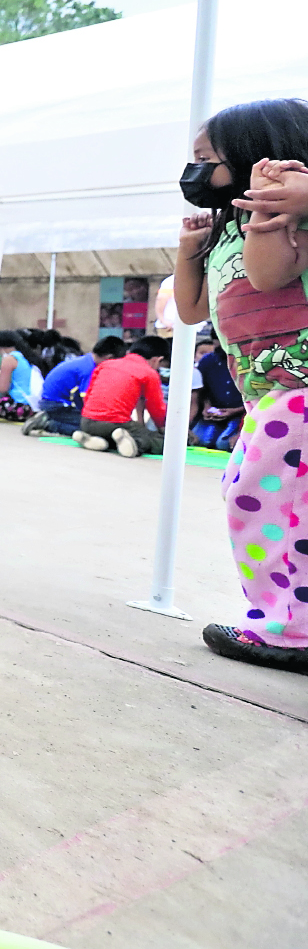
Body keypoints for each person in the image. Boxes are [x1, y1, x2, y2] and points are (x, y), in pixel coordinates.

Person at [168, 98, 308, 670]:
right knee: (249, 493)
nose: (195, 172)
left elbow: (270, 274)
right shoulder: (225, 233)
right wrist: (188, 253)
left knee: (264, 500)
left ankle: (287, 629)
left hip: (298, 388)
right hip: (267, 397)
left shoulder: (289, 219)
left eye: (207, 159)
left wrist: (274, 209)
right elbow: (191, 309)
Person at [75, 334, 170, 455]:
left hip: (86, 421)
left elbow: (89, 394)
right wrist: (161, 427)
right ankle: (135, 445)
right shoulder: (149, 373)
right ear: (157, 359)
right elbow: (155, 407)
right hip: (115, 423)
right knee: (158, 441)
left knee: (119, 433)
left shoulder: (106, 364)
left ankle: (98, 441)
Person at [22, 335, 126, 437]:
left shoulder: (87, 360)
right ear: (110, 358)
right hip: (56, 405)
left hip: (58, 402)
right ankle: (48, 424)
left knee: (94, 424)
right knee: (92, 428)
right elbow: (86, 399)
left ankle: (51, 419)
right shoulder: (88, 370)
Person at [190, 332, 244, 450]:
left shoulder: (248, 362)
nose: (220, 345)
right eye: (217, 341)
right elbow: (202, 390)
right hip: (213, 413)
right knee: (200, 441)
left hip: (240, 413)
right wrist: (206, 406)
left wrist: (235, 411)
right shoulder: (208, 361)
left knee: (223, 444)